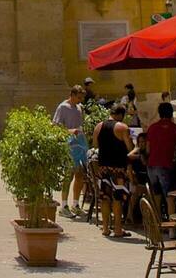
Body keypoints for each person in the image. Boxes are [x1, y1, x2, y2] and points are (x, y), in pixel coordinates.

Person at [93, 103, 133, 238]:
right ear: (121, 115)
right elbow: (129, 148)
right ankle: (117, 229)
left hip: (103, 167)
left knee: (105, 198)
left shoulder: (99, 127)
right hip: (118, 168)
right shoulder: (122, 127)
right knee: (117, 198)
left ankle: (105, 228)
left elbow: (95, 145)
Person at [144, 102, 176, 212]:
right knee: (169, 197)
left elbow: (148, 150)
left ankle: (157, 223)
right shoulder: (174, 128)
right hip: (165, 165)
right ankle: (171, 226)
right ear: (171, 113)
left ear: (159, 113)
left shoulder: (152, 128)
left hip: (151, 165)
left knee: (157, 196)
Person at [53, 86, 89, 214]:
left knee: (80, 174)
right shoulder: (62, 107)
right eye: (79, 97)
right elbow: (55, 126)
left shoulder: (79, 108)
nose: (80, 100)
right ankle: (63, 206)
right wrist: (70, 131)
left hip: (80, 144)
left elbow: (81, 124)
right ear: (72, 95)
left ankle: (75, 204)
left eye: (82, 98)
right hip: (68, 145)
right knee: (69, 174)